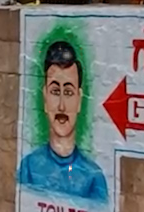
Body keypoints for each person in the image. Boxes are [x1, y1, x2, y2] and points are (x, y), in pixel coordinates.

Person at [16, 40, 109, 201]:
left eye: (68, 92)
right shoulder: (28, 168)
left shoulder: (93, 179)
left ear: (79, 100)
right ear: (45, 97)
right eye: (55, 91)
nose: (61, 106)